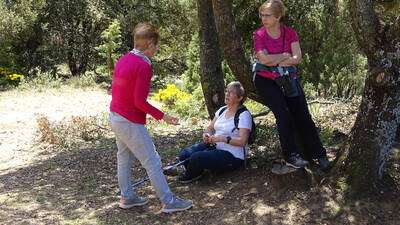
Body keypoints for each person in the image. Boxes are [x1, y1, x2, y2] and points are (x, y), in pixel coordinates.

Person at [108, 22, 192, 213]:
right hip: (128, 121)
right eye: (157, 45)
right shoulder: (143, 65)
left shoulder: (124, 59)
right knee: (152, 161)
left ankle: (128, 197)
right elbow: (139, 101)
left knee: (124, 158)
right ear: (150, 44)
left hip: (115, 116)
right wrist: (163, 116)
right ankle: (168, 202)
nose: (157, 49)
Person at [253, 0, 329, 170]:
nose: (263, 18)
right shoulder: (259, 35)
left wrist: (274, 60)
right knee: (283, 114)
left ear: (278, 16)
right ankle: (291, 156)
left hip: (288, 78)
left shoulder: (290, 33)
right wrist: (284, 56)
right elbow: (263, 59)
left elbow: (297, 58)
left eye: (267, 15)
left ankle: (319, 154)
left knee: (303, 115)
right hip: (265, 80)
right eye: (261, 15)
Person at [177, 81, 252, 183]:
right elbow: (210, 128)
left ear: (239, 98)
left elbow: (242, 141)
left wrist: (222, 138)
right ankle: (197, 171)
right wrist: (206, 134)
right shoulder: (222, 110)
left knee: (196, 158)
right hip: (215, 147)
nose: (227, 94)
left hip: (233, 155)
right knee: (184, 154)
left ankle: (191, 174)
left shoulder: (244, 115)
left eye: (231, 92)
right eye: (226, 91)